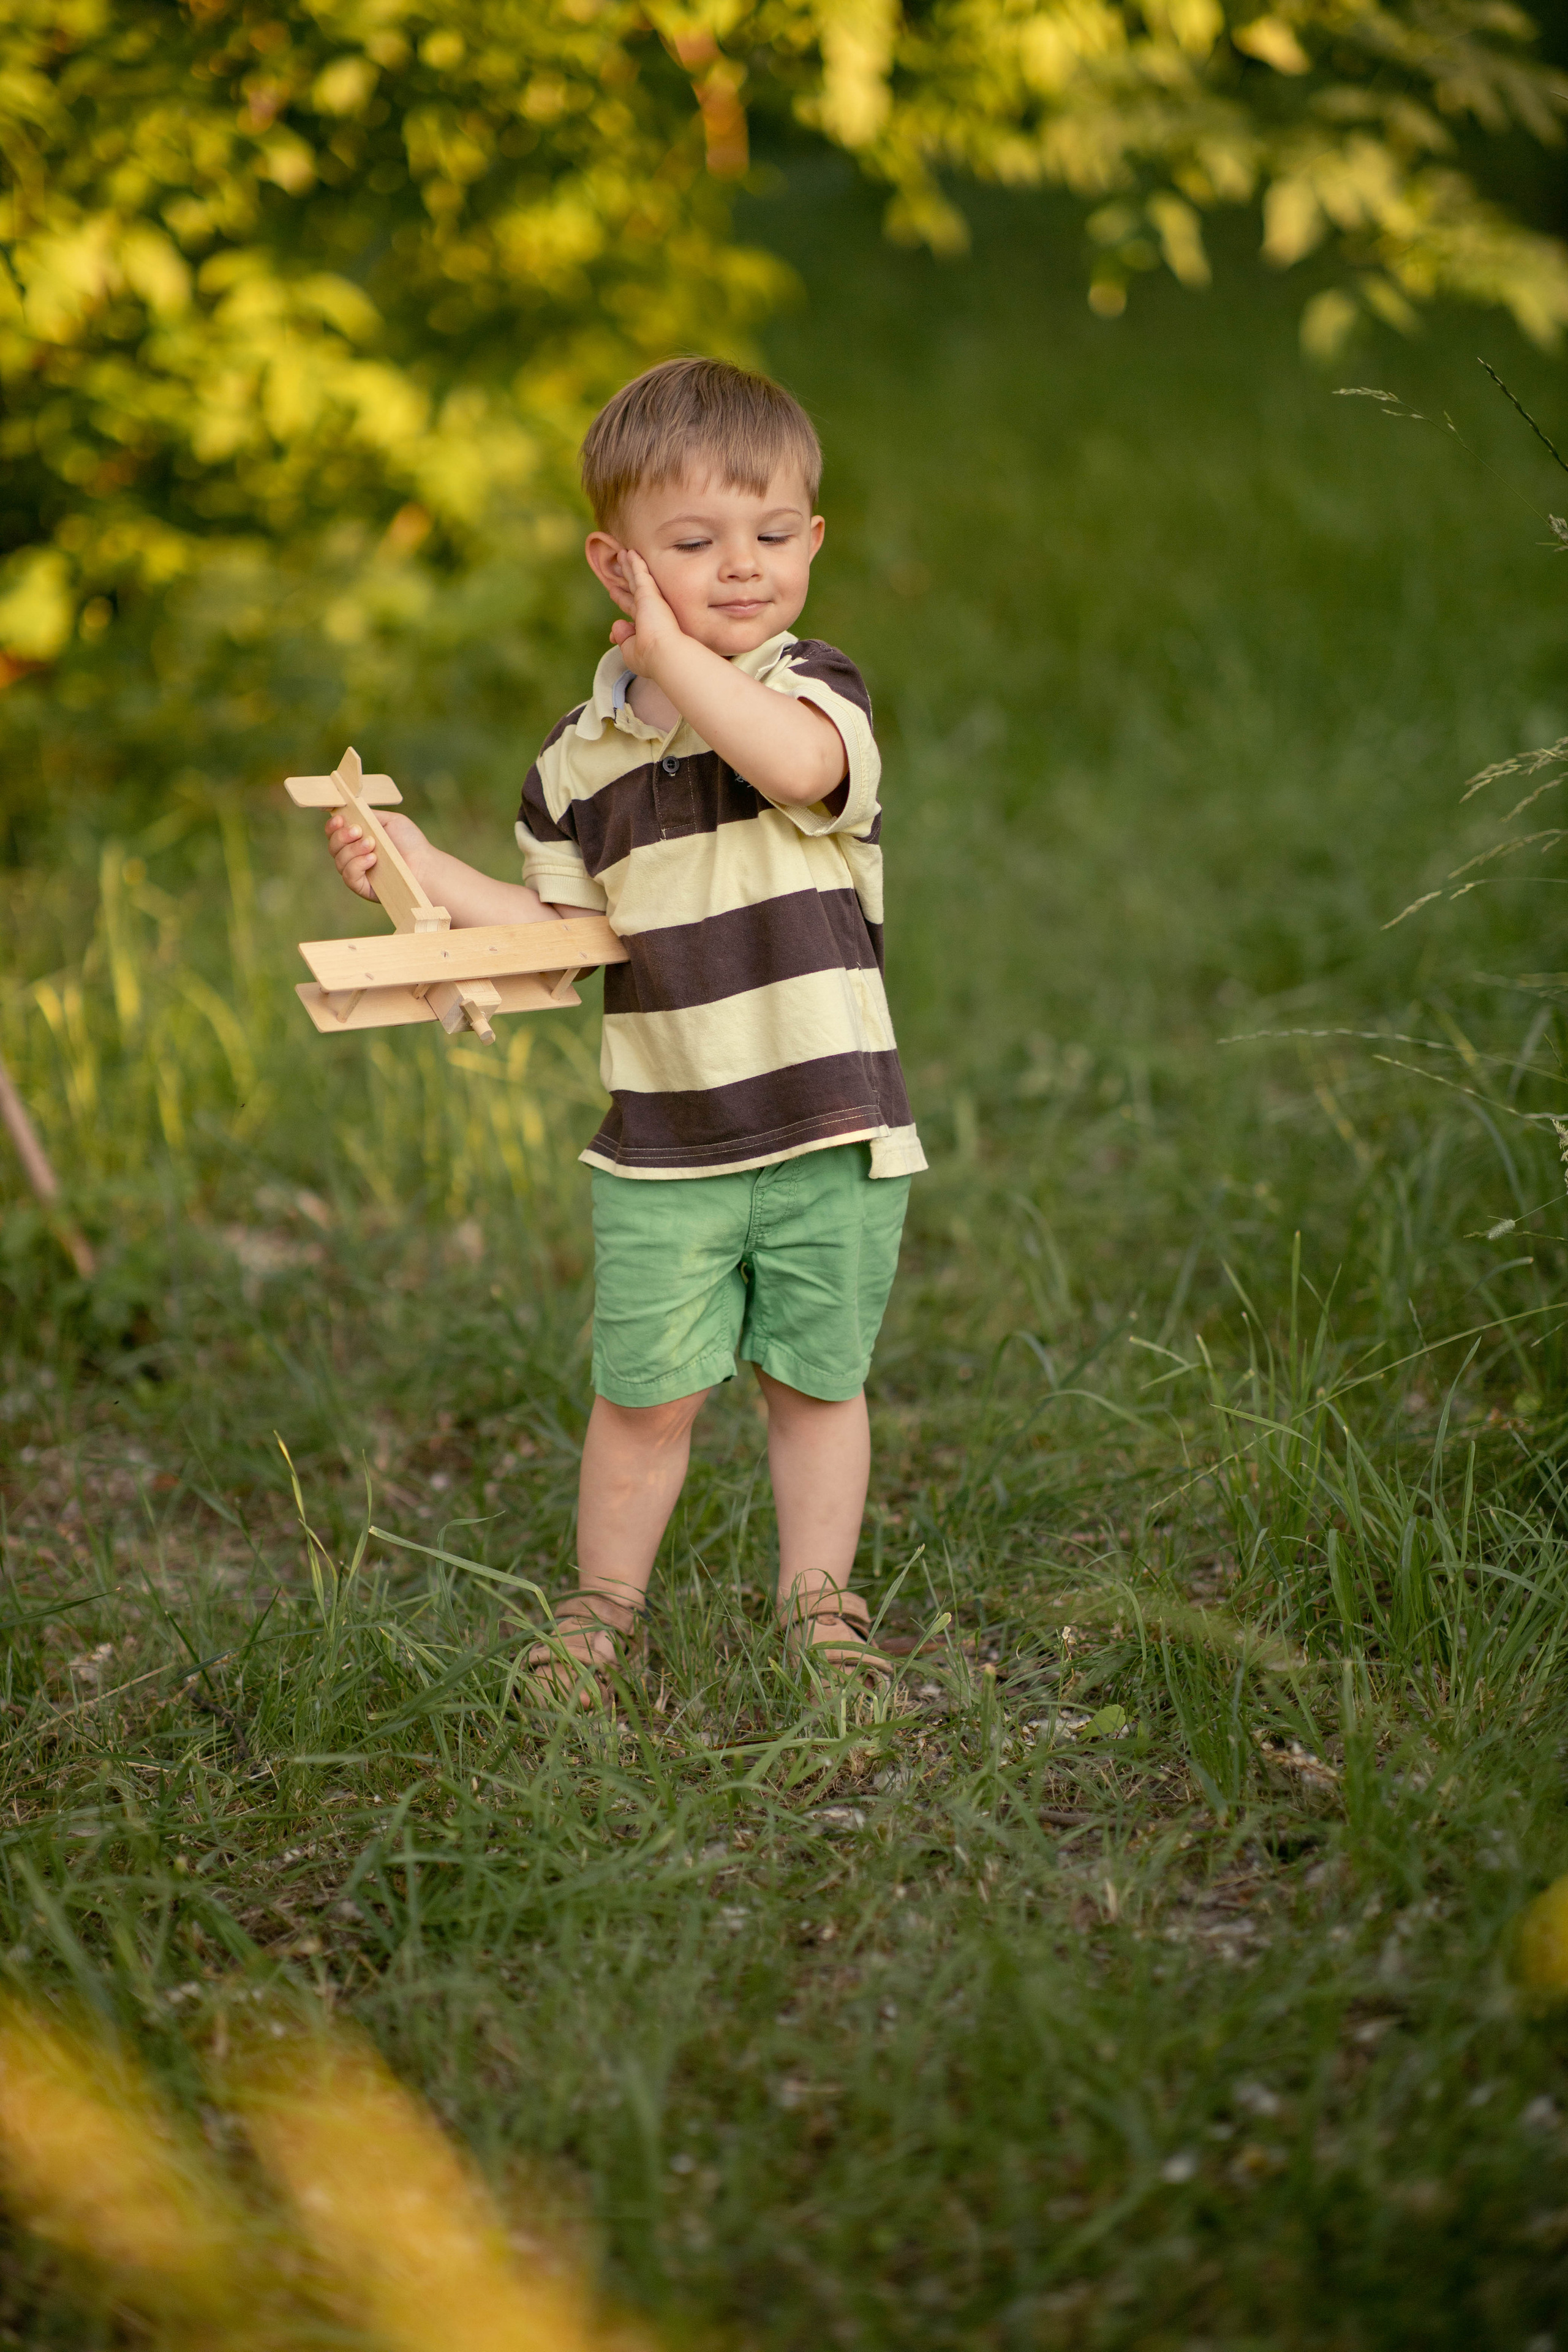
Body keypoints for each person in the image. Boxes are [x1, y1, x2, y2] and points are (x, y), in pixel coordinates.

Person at [326, 356, 926, 1698]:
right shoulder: (577, 763)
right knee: (644, 1397)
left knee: (813, 1385)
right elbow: (557, 937)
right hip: (662, 1141)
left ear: (812, 542)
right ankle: (601, 1611)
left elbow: (790, 769)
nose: (739, 569)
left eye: (771, 536)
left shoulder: (812, 690)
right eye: (693, 544)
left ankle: (819, 1608)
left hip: (828, 1123)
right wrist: (415, 866)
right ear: (616, 563)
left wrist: (675, 658)